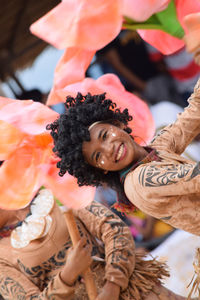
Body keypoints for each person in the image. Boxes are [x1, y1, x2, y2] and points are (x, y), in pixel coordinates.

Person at [47, 78, 200, 237]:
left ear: (117, 124)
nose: (109, 149)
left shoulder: (155, 149)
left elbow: (193, 112)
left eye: (104, 135)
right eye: (98, 156)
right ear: (100, 169)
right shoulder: (140, 181)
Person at [0, 188, 185, 300]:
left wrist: (112, 286)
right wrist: (68, 275)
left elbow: (114, 229)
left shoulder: (56, 194)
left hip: (133, 290)